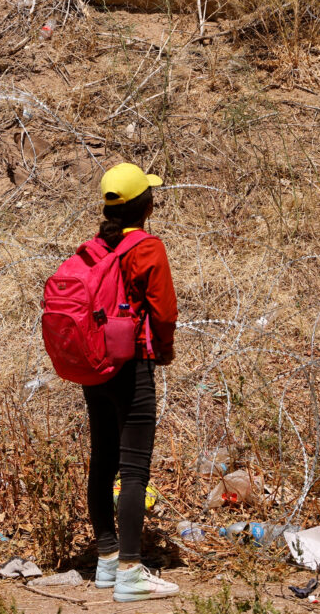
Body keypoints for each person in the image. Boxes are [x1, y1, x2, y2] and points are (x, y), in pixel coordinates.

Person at [81, 162, 179, 602]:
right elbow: (164, 312)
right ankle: (130, 571)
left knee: (102, 459)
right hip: (132, 364)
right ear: (147, 205)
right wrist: (165, 349)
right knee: (134, 468)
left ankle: (105, 557)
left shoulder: (95, 247)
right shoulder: (147, 248)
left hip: (95, 365)